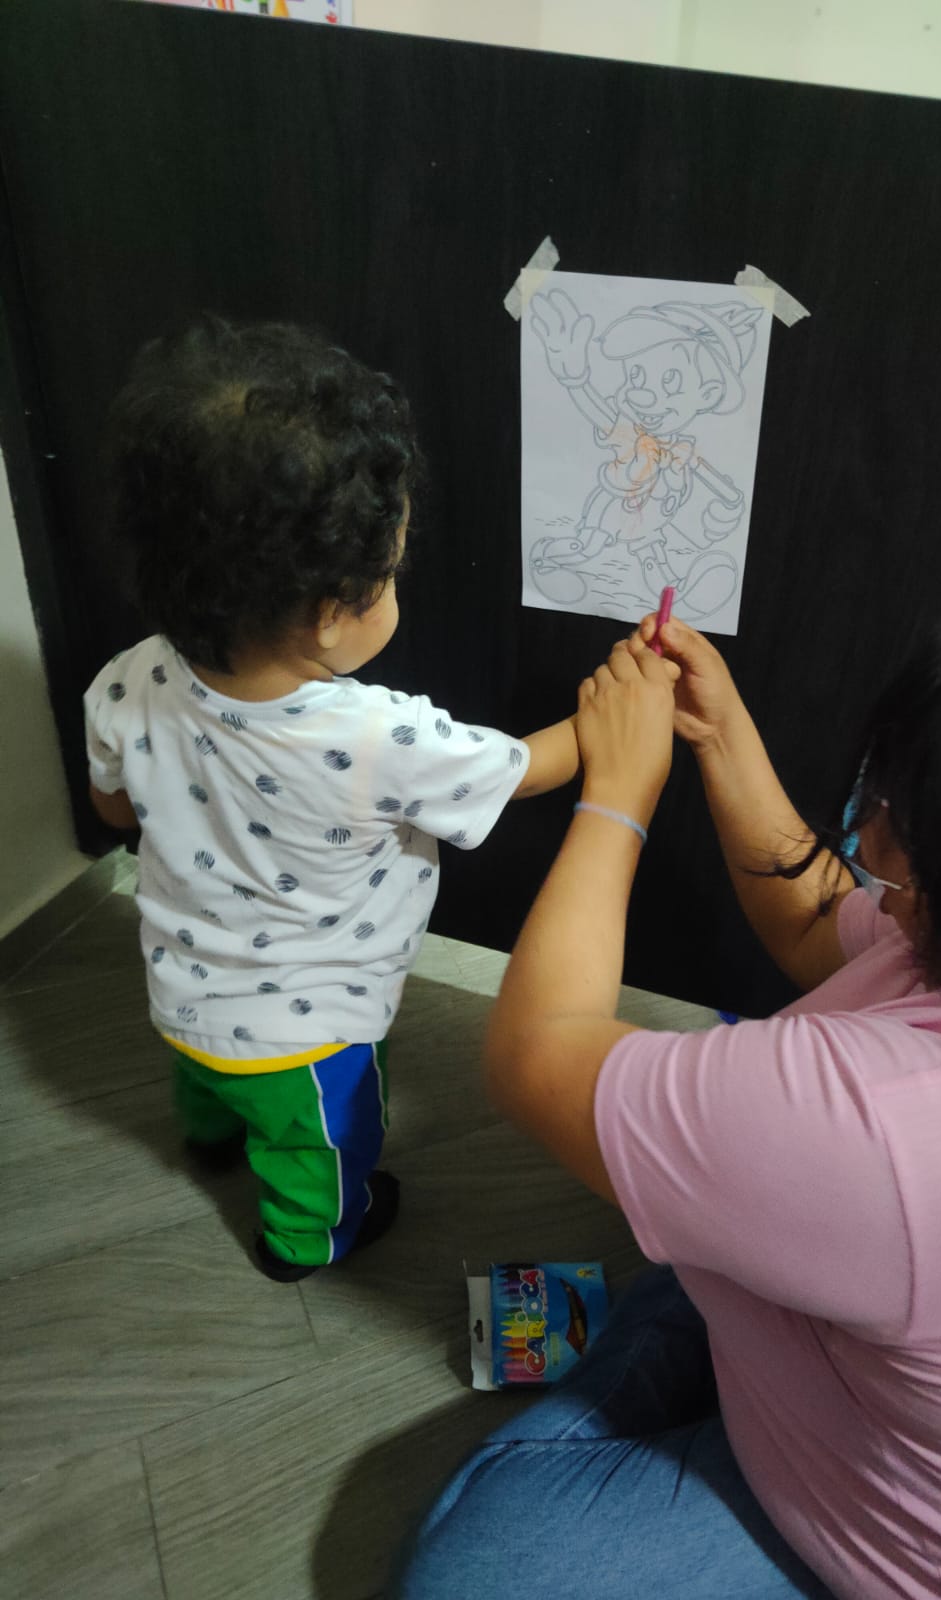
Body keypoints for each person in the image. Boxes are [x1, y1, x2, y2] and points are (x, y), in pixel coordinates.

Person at [392, 584, 941, 1600]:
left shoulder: (913, 1126)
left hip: (913, 1535)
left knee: (468, 1572)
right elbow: (819, 917)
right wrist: (720, 732)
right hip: (884, 1358)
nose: (868, 830)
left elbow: (533, 1055)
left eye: (899, 803)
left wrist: (617, 797)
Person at [84, 317, 579, 1281]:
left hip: (180, 988)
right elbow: (517, 769)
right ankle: (305, 1239)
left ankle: (211, 1137)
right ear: (327, 615)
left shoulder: (127, 677)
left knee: (213, 1086)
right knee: (323, 1143)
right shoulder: (372, 736)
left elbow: (112, 816)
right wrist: (611, 723)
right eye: (389, 570)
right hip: (309, 1035)